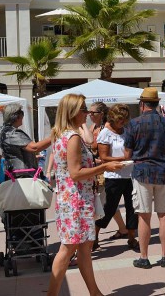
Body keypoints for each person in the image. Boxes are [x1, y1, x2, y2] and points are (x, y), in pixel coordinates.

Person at [47, 93, 123, 296]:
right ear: (72, 112)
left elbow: (75, 167)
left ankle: (94, 292)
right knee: (68, 250)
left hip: (72, 200)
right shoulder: (72, 137)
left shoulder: (63, 134)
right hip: (76, 201)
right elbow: (76, 173)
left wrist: (102, 164)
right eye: (83, 109)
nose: (87, 113)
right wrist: (105, 166)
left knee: (83, 250)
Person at [125, 87, 165, 269]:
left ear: (142, 104)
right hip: (163, 171)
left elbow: (127, 153)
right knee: (164, 215)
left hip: (142, 172)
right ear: (156, 104)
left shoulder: (134, 124)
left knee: (144, 216)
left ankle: (144, 257)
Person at [95, 104, 138, 251]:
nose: (123, 122)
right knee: (109, 208)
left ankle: (132, 237)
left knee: (132, 207)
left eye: (125, 119)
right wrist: (123, 158)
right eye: (120, 119)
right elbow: (104, 157)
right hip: (113, 176)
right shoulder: (105, 133)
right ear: (113, 118)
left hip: (130, 174)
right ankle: (95, 237)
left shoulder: (127, 131)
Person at [87, 102, 128, 247]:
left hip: (108, 171)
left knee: (108, 204)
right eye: (89, 112)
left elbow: (94, 147)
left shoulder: (105, 129)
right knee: (107, 204)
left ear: (102, 114)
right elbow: (91, 145)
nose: (90, 115)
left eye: (93, 113)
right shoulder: (94, 128)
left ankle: (121, 231)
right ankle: (121, 230)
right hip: (100, 170)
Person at [0, 103, 51, 177]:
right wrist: (54, 136)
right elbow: (34, 147)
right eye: (21, 114)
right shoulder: (12, 133)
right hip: (21, 177)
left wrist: (32, 157)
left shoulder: (6, 131)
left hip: (18, 176)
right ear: (17, 117)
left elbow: (14, 153)